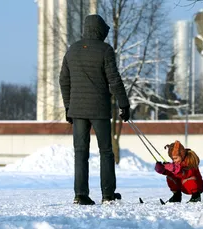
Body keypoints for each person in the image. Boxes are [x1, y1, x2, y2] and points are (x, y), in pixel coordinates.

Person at [59, 14, 130, 205]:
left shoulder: (72, 50)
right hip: (99, 110)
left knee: (80, 153)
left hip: (78, 110)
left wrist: (68, 106)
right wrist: (124, 104)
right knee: (106, 151)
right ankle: (108, 194)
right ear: (99, 30)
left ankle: (80, 195)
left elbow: (63, 80)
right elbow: (114, 80)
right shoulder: (105, 50)